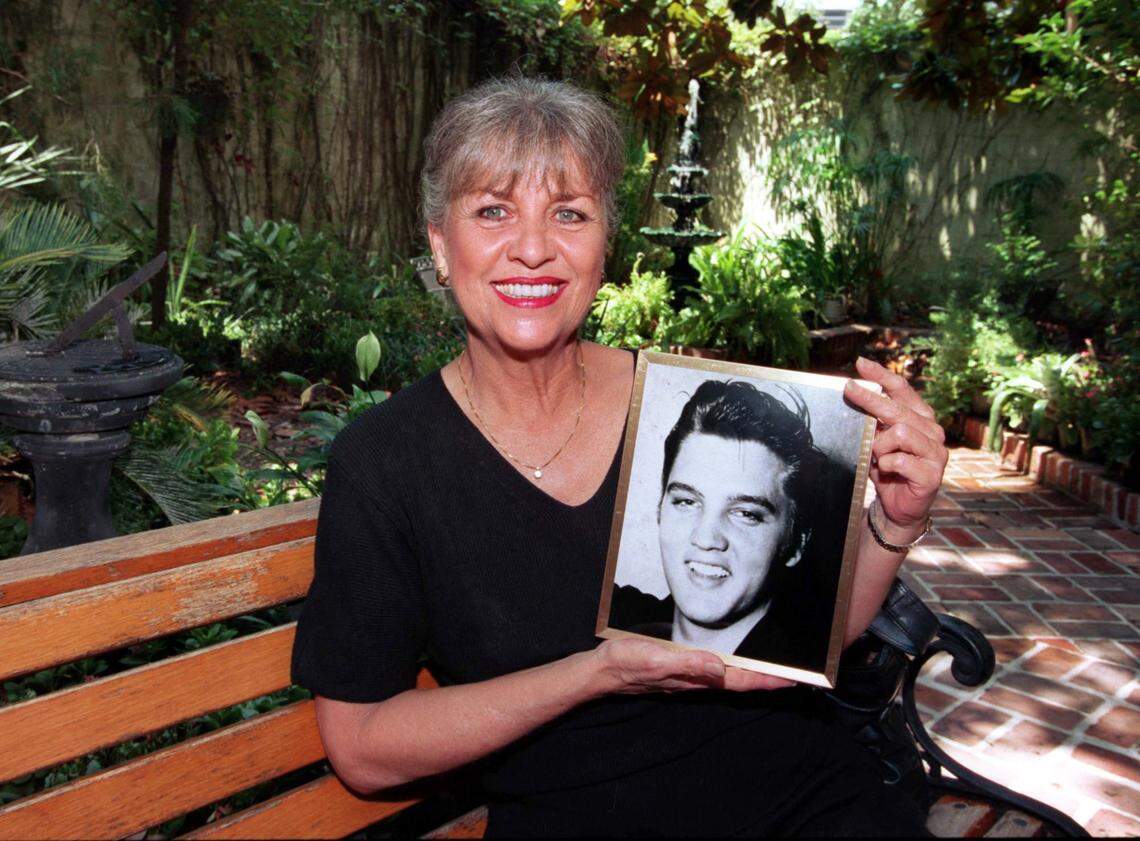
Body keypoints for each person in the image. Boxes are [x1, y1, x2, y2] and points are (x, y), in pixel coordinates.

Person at [291, 76, 949, 837]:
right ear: (441, 244)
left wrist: (896, 521)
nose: (533, 248)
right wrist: (594, 673)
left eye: (569, 213)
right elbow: (363, 748)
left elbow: (809, 638)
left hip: (802, 791)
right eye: (493, 211)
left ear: (604, 246)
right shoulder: (387, 463)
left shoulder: (679, 403)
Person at [608, 379, 854, 674]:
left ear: (796, 544)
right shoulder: (622, 621)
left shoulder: (799, 676)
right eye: (687, 502)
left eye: (746, 513)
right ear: (661, 508)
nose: (706, 538)